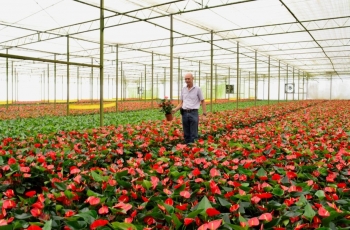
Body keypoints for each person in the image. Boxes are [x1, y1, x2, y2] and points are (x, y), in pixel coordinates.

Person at [172, 72, 207, 144]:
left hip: (193, 113)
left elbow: (202, 101)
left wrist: (204, 114)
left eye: (188, 79)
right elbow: (181, 103)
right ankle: (187, 149)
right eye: (185, 79)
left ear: (192, 79)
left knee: (194, 134)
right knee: (186, 134)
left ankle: (194, 149)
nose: (187, 80)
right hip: (184, 113)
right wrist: (175, 109)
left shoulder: (198, 89)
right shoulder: (183, 89)